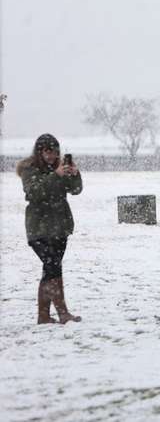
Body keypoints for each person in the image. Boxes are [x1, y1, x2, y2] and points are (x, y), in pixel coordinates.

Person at [17, 134, 83, 324]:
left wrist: (74, 174)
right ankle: (63, 313)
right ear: (40, 151)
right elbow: (34, 192)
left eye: (55, 151)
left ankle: (43, 316)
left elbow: (76, 190)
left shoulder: (59, 167)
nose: (52, 155)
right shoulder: (29, 170)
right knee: (53, 267)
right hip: (39, 228)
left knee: (50, 269)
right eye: (47, 151)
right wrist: (56, 176)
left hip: (60, 227)